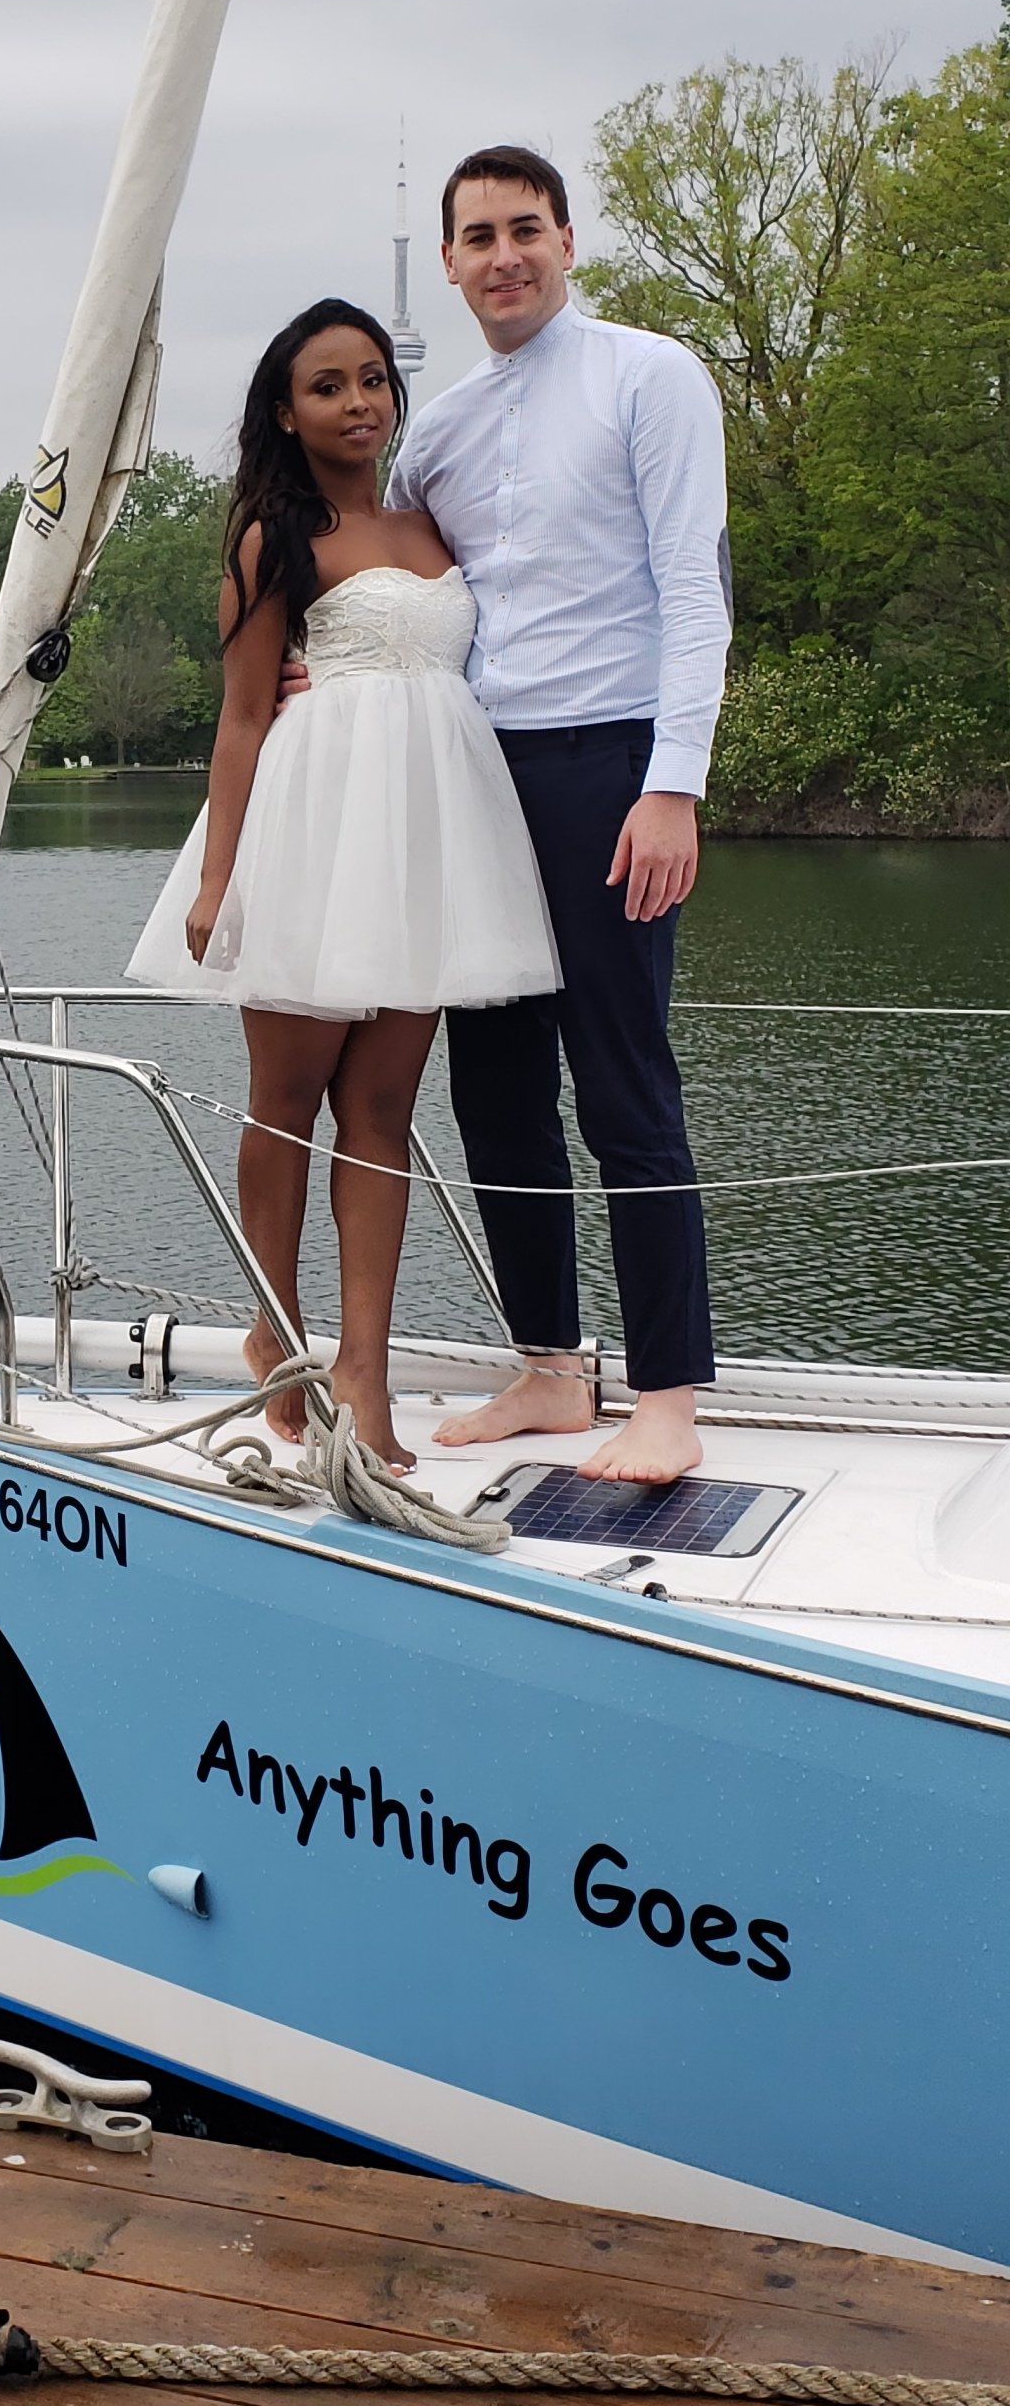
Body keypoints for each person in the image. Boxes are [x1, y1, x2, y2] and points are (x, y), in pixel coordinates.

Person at [127, 298, 560, 1470]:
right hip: (312, 828)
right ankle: (280, 1325)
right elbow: (244, 714)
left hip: (426, 839)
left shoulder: (434, 527)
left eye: (372, 378)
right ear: (287, 408)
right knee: (287, 1102)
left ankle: (363, 1375)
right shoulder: (274, 536)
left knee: (380, 1116)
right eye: (329, 384)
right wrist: (219, 876)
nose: (359, 400)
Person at [357, 144, 729, 1484]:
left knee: (624, 1081)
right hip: (477, 770)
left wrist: (672, 782)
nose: (503, 254)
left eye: (526, 228)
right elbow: (395, 590)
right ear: (449, 262)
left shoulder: (651, 376)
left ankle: (670, 1393)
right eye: (478, 236)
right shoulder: (438, 431)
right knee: (496, 1085)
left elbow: (697, 592)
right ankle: (551, 1373)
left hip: (611, 765)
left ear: (567, 240)